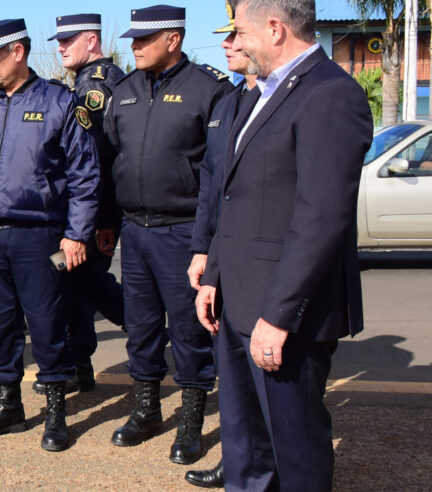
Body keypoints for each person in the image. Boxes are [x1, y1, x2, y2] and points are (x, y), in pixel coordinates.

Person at [196, 0, 372, 489]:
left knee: (296, 450)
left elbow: (321, 218)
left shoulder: (330, 94)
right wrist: (214, 277)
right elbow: (235, 197)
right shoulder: (258, 96)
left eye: (241, 31)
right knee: (245, 444)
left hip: (283, 313)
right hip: (237, 299)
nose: (235, 42)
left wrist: (277, 315)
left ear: (274, 29)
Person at [0, 18, 99, 452]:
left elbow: (84, 174)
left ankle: (55, 412)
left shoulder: (58, 103)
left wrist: (77, 234)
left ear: (18, 52)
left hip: (40, 235)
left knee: (48, 324)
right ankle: (8, 404)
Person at [103, 4, 232, 465]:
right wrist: (108, 224)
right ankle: (146, 411)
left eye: (143, 39)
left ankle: (191, 424)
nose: (134, 47)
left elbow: (217, 175)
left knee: (190, 331)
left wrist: (204, 244)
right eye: (132, 40)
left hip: (182, 231)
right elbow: (112, 158)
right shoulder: (124, 90)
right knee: (140, 328)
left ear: (172, 39)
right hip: (135, 231)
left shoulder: (209, 90)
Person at [183, 1, 257, 487]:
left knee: (265, 381)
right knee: (230, 372)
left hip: (258, 257)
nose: (227, 44)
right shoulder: (229, 101)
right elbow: (212, 183)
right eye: (225, 36)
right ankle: (238, 462)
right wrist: (202, 249)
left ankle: (260, 465)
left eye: (235, 35)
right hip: (221, 251)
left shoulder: (283, 96)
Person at [37, 12, 126, 397]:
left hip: (91, 216)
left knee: (78, 284)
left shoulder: (96, 87)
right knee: (78, 286)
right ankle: (81, 366)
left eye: (68, 41)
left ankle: (143, 325)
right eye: (58, 41)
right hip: (90, 215)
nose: (60, 47)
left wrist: (102, 221)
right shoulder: (93, 81)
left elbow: (99, 161)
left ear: (91, 40)